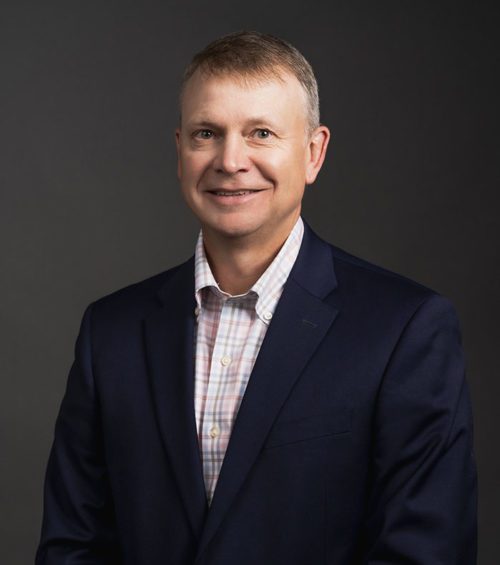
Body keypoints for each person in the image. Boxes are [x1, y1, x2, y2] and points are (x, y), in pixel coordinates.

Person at [36, 31, 477, 564]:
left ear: (314, 154)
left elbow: (424, 552)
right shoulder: (111, 331)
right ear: (180, 153)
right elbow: (72, 547)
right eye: (206, 133)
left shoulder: (404, 329)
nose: (230, 159)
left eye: (261, 133)